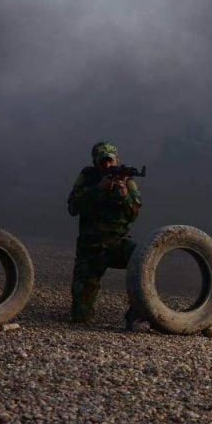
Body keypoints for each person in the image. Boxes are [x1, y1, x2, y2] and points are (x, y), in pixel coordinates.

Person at [67, 141, 144, 329]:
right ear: (95, 162)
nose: (107, 165)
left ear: (117, 160)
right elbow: (73, 207)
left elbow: (133, 215)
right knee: (80, 317)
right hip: (90, 249)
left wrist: (124, 196)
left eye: (110, 161)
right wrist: (97, 190)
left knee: (144, 259)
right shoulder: (88, 177)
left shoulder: (127, 181)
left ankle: (139, 312)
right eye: (102, 162)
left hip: (117, 243)